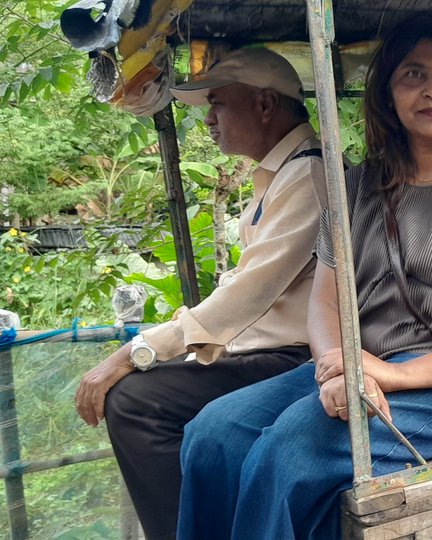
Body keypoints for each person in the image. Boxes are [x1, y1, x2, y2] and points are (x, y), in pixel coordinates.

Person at [175, 14, 432, 539]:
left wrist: (397, 375)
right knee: (210, 434)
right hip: (366, 364)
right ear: (388, 93)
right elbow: (326, 303)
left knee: (289, 450)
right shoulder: (355, 187)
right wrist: (337, 368)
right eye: (414, 75)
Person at [72, 48, 324, 540]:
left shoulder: (307, 176)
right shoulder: (280, 174)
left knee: (135, 402)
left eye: (217, 103)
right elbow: (240, 286)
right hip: (259, 353)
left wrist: (135, 351)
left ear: (266, 105)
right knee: (144, 391)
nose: (208, 119)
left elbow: (249, 295)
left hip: (293, 360)